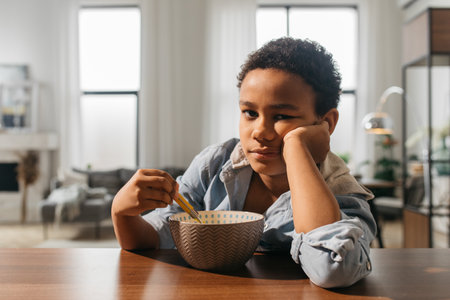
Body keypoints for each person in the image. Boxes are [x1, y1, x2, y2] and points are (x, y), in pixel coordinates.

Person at [111, 37, 376, 288]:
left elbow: (334, 269)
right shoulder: (214, 165)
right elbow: (156, 238)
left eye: (282, 115)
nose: (260, 131)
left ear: (326, 123)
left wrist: (296, 148)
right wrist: (122, 214)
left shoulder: (340, 191)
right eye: (250, 112)